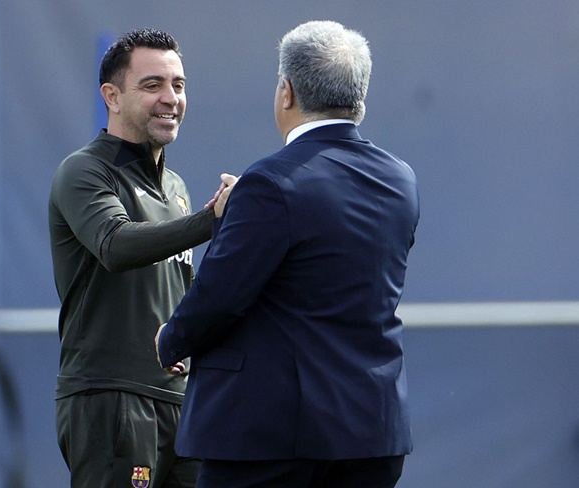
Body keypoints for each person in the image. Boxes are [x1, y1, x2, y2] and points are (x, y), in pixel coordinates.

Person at [155, 20, 420, 488]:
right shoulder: (400, 179)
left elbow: (222, 294)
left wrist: (170, 339)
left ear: (287, 92)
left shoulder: (270, 184)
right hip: (371, 432)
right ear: (359, 97)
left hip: (271, 439)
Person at [49, 28, 235, 488]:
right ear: (111, 96)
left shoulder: (175, 187)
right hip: (112, 397)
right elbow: (115, 244)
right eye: (153, 85)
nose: (171, 98)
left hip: (181, 402)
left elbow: (181, 291)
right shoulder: (85, 170)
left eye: (178, 84)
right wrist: (211, 220)